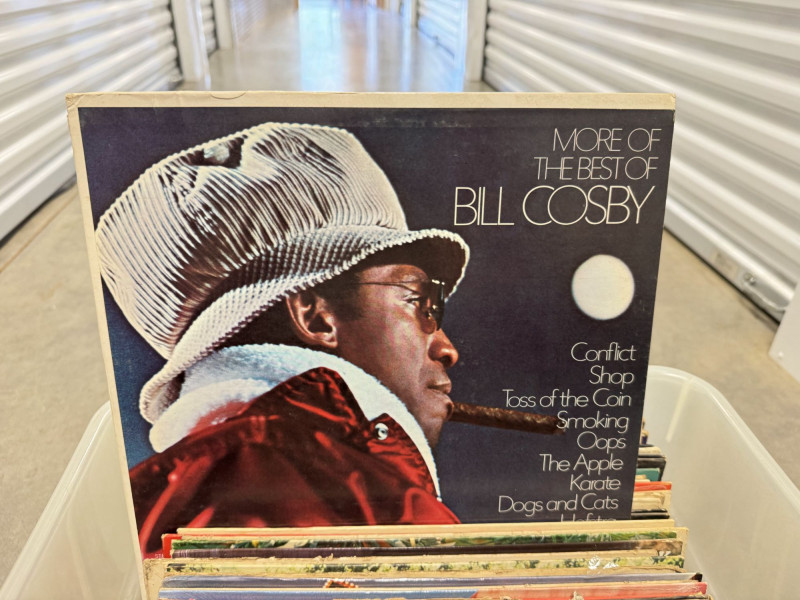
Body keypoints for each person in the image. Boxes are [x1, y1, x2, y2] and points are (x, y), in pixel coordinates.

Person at [94, 122, 470, 555]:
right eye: (419, 302)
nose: (447, 349)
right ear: (317, 317)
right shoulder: (290, 482)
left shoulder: (219, 482)